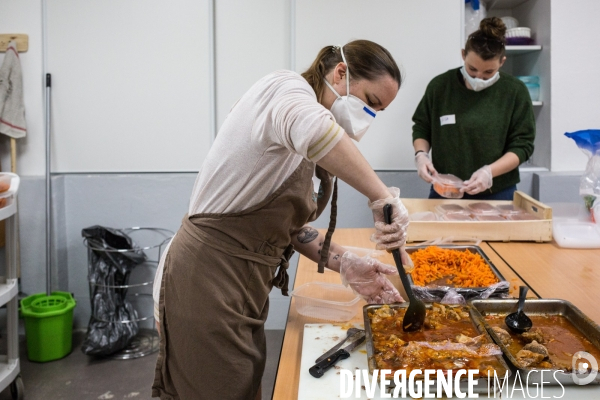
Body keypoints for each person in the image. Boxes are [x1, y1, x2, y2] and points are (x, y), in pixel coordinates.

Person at [151, 40, 412, 400]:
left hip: (245, 281)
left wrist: (344, 263)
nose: (369, 116)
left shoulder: (307, 144)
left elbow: (289, 231)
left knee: (241, 384)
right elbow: (317, 131)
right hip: (205, 276)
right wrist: (381, 194)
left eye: (377, 111)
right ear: (340, 73)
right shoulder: (285, 89)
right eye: (370, 102)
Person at [412, 17, 535, 200]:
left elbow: (523, 145)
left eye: (488, 72)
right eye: (472, 69)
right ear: (463, 54)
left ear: (502, 62)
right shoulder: (440, 87)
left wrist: (489, 172)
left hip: (498, 192)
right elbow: (422, 126)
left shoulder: (515, 92)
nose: (478, 77)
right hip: (446, 189)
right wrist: (421, 155)